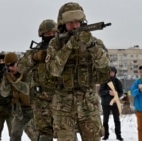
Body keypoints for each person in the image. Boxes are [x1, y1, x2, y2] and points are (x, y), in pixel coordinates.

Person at [45, 2, 110, 141]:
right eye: (70, 23)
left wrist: (91, 45)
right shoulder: (55, 44)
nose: (75, 26)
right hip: (63, 106)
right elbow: (54, 70)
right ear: (62, 23)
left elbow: (104, 64)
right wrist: (68, 47)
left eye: (78, 22)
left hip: (88, 104)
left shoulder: (94, 42)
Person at [17, 19, 57, 141]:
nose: (51, 36)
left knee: (67, 132)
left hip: (62, 98)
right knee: (44, 133)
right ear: (41, 35)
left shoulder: (63, 49)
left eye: (53, 33)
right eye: (47, 34)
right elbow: (20, 67)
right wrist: (34, 57)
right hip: (41, 100)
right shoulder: (34, 52)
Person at [0, 52, 36, 141]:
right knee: (14, 136)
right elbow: (4, 94)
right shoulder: (9, 75)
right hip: (20, 111)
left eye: (12, 65)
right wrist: (6, 82)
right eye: (8, 66)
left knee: (36, 136)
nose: (10, 68)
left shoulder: (28, 72)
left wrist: (14, 81)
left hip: (33, 110)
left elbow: (26, 89)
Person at [0, 53, 14, 141]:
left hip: (10, 108)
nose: (2, 63)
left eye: (3, 61)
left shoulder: (12, 73)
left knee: (13, 134)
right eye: (0, 61)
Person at [99, 66, 124, 141]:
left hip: (115, 103)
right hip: (105, 104)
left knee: (117, 119)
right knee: (105, 120)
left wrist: (116, 94)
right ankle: (106, 135)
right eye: (110, 72)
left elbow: (121, 92)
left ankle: (118, 135)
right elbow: (100, 92)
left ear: (115, 73)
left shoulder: (118, 82)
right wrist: (108, 92)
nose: (111, 73)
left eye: (113, 72)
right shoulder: (104, 81)